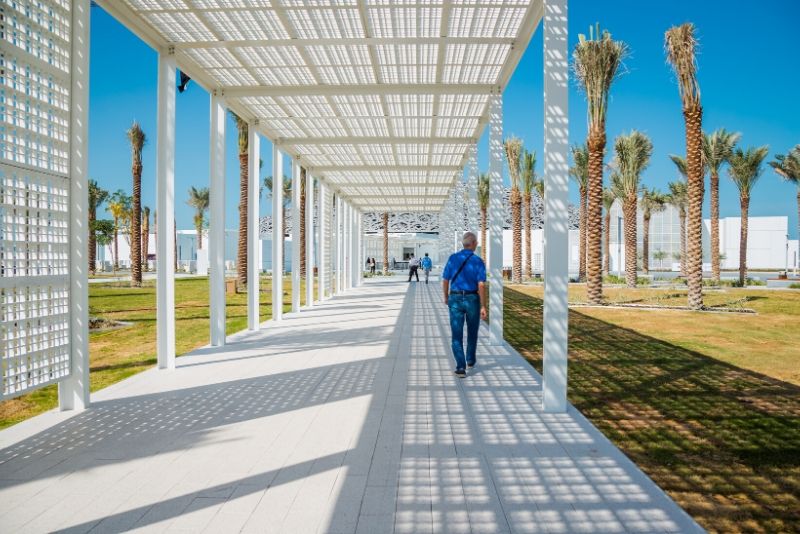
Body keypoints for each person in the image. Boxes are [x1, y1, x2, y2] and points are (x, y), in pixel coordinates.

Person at [442, 232, 487, 377]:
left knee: (457, 334)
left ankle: (460, 367)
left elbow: (445, 280)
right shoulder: (478, 261)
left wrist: (445, 296)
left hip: (455, 298)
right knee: (472, 331)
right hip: (472, 299)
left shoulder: (453, 258)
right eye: (477, 243)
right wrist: (483, 305)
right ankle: (470, 360)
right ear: (473, 243)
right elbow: (481, 285)